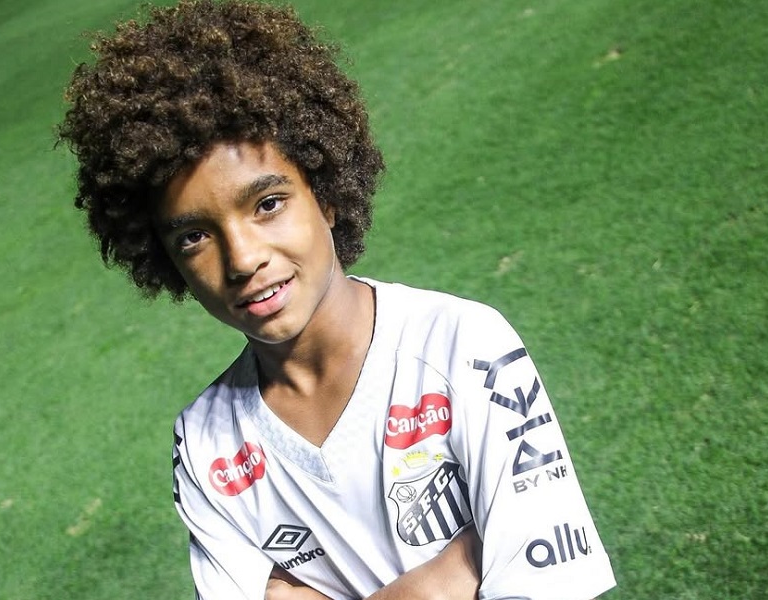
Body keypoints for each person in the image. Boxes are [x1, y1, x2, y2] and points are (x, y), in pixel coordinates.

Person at [58, 1, 617, 598]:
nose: (243, 259)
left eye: (268, 204)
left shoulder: (462, 345)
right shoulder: (205, 444)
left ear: (325, 195)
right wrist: (445, 577)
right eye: (194, 236)